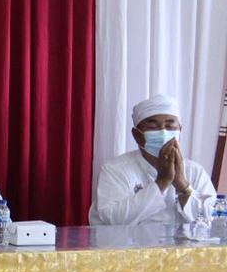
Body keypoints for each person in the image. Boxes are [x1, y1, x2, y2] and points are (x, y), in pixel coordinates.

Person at [89, 94, 216, 226]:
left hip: (182, 240)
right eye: (153, 127)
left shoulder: (195, 172)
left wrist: (183, 185)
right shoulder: (115, 170)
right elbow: (112, 220)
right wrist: (162, 182)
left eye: (169, 126)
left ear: (180, 131)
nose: (163, 133)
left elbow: (211, 218)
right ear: (137, 135)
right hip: (131, 240)